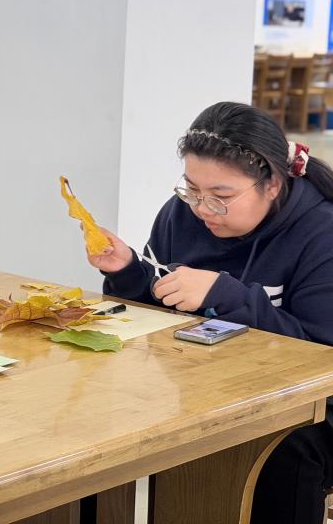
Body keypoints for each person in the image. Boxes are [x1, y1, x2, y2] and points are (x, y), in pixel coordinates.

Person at [87, 101, 333, 524]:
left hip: (312, 406)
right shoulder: (181, 214)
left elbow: (321, 354)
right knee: (107, 412)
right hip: (213, 387)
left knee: (277, 449)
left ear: (272, 185)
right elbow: (158, 303)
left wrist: (229, 295)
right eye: (192, 189)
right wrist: (127, 271)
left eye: (221, 197)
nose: (202, 209)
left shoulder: (321, 231)